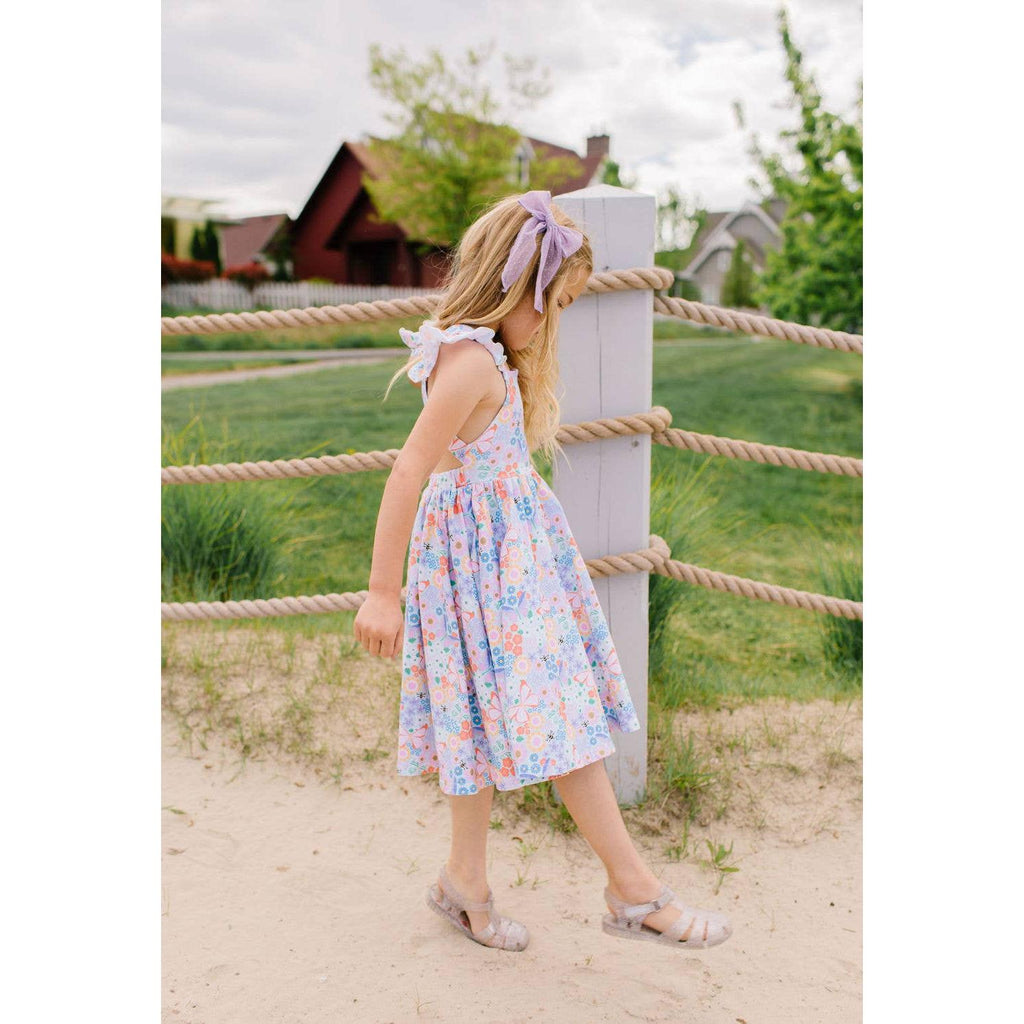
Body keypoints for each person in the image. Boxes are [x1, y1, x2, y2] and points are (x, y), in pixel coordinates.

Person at [353, 189, 732, 952]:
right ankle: (634, 892)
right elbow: (409, 469)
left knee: (489, 717)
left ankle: (464, 881)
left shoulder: (475, 352)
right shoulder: (470, 363)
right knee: (558, 713)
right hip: (490, 571)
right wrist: (382, 593)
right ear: (513, 285)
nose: (553, 322)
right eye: (553, 304)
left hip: (499, 564)